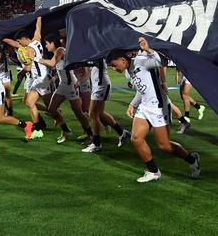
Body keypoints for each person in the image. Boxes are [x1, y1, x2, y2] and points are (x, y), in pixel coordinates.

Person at [106, 37, 200, 183]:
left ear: (123, 59)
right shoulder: (127, 72)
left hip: (158, 107)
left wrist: (149, 50)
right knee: (136, 139)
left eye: (114, 64)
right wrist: (132, 104)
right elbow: (141, 90)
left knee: (164, 146)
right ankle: (153, 171)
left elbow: (161, 62)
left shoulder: (141, 60)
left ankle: (192, 159)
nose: (114, 68)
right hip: (145, 106)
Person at [3, 17, 57, 140]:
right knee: (30, 102)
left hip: (40, 79)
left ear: (23, 39)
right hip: (39, 78)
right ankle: (39, 127)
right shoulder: (37, 39)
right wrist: (39, 16)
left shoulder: (28, 49)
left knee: (47, 107)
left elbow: (28, 67)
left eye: (19, 41)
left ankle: (59, 125)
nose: (19, 44)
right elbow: (38, 27)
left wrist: (21, 72)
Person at [37, 33, 93, 144]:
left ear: (53, 43)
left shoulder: (60, 50)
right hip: (63, 85)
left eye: (47, 44)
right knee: (51, 109)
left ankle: (90, 134)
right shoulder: (57, 53)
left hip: (71, 85)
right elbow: (62, 68)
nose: (46, 46)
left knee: (78, 113)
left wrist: (36, 58)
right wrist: (55, 77)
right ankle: (66, 130)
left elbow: (52, 64)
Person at [81, 57, 131, 153]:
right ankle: (122, 133)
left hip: (101, 85)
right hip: (98, 84)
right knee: (100, 113)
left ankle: (96, 144)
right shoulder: (92, 52)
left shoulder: (97, 52)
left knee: (92, 114)